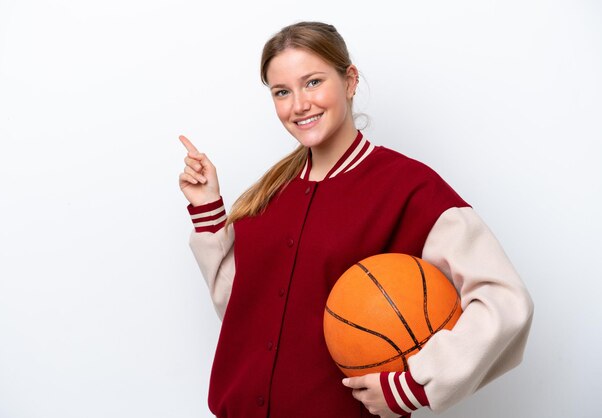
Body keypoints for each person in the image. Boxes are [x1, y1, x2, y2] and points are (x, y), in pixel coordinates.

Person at [178, 21, 533, 418]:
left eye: (312, 82)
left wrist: (415, 384)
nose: (299, 104)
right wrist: (208, 209)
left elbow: (505, 302)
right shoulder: (271, 193)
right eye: (282, 92)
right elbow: (241, 311)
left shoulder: (409, 187)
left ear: (349, 81)